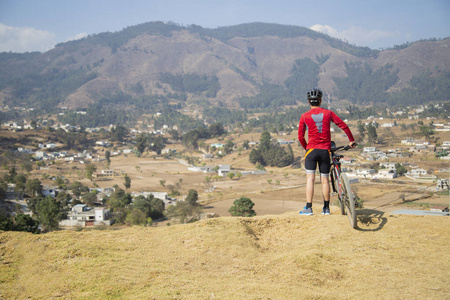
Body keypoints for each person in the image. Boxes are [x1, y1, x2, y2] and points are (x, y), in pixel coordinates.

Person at [298, 88, 356, 215]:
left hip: (311, 151)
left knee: (310, 179)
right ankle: (326, 208)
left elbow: (300, 137)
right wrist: (351, 140)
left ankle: (308, 208)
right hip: (325, 151)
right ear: (321, 100)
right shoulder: (328, 113)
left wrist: (307, 148)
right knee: (325, 180)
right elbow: (343, 125)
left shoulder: (304, 116)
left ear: (309, 102)